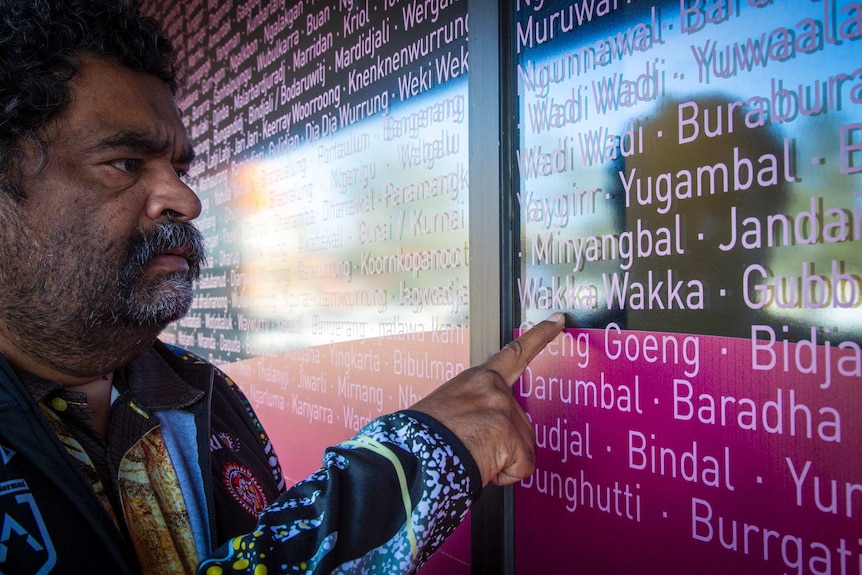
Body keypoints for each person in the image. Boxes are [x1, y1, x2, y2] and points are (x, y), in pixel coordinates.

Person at [0, 1, 565, 573]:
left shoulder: (200, 392)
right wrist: (416, 462)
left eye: (180, 168)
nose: (186, 201)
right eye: (124, 163)